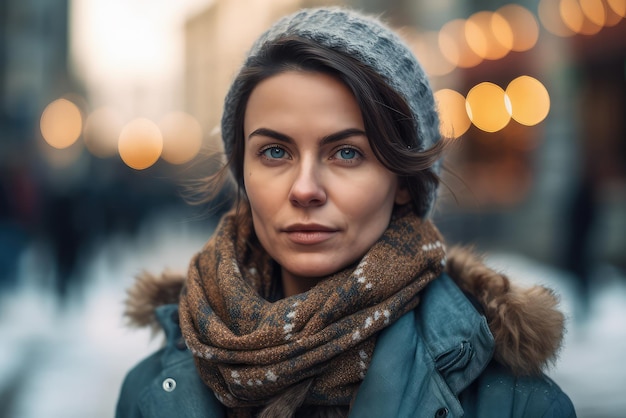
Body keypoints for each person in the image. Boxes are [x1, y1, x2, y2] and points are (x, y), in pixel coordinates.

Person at [115, 7, 576, 418]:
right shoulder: (152, 393)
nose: (305, 189)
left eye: (347, 153)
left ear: (402, 183)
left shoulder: (515, 402)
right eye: (275, 152)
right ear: (243, 170)